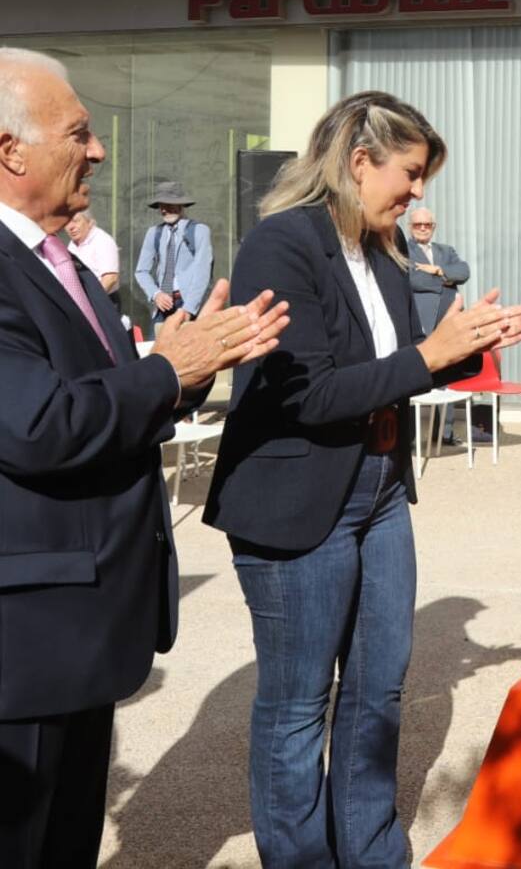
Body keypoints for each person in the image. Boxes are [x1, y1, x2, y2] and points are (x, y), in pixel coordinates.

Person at [203, 91, 521, 869]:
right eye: (410, 173)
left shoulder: (381, 254)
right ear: (360, 163)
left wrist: (464, 345)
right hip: (298, 503)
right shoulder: (282, 245)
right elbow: (313, 393)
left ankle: (374, 854)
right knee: (296, 709)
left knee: (379, 690)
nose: (419, 192)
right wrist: (430, 353)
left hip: (379, 491)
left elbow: (386, 376)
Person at [0, 48, 289, 868]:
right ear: (10, 150)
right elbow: (42, 425)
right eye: (79, 133)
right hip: (25, 641)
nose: (97, 152)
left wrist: (185, 370)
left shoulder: (62, 260)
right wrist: (171, 369)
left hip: (81, 624)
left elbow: (108, 393)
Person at [407, 206, 473, 443]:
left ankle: (445, 434)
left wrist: (437, 270)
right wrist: (446, 280)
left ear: (433, 227)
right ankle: (412, 438)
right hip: (420, 320)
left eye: (427, 225)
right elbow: (412, 278)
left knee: (448, 373)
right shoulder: (402, 249)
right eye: (418, 224)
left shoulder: (446, 251)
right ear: (410, 226)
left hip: (448, 317)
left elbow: (464, 272)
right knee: (416, 373)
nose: (423, 228)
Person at [134, 181, 213, 327]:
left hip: (189, 303)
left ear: (180, 205)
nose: (164, 210)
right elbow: (141, 271)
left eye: (169, 204)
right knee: (156, 347)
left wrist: (188, 309)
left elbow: (202, 274)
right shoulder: (154, 233)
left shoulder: (199, 231)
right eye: (161, 205)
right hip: (163, 305)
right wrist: (156, 294)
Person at [64, 208, 120, 295]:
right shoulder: (73, 244)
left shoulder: (102, 240)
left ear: (89, 222)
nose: (71, 227)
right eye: (67, 222)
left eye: (76, 221)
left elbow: (110, 278)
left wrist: (92, 300)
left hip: (103, 299)